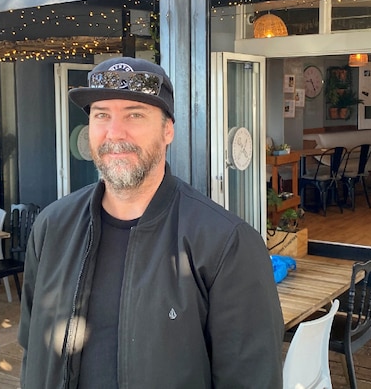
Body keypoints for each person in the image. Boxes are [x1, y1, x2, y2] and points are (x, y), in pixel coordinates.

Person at [18, 57, 284, 388]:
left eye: (135, 114)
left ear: (167, 130)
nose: (115, 132)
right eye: (102, 115)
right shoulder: (52, 228)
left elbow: (251, 379)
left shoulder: (225, 243)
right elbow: (33, 352)